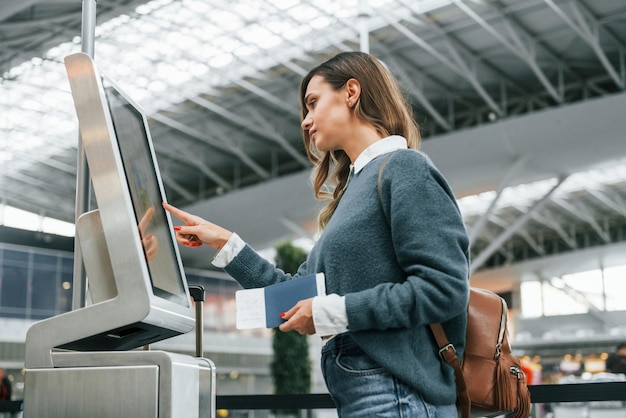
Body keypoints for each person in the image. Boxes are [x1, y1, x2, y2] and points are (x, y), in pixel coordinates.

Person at [164, 51, 470, 417]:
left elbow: (444, 289)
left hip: (398, 393)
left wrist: (334, 310)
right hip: (371, 394)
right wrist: (225, 243)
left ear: (351, 92)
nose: (306, 121)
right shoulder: (355, 190)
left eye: (313, 103)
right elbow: (295, 292)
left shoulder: (405, 169)